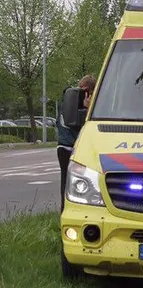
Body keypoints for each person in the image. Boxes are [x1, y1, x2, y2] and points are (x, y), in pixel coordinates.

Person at [57, 75, 96, 212]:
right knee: (72, 183)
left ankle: (68, 211)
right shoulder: (74, 106)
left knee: (69, 183)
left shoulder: (67, 101)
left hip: (65, 146)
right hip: (70, 147)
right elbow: (85, 127)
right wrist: (88, 110)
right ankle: (68, 211)